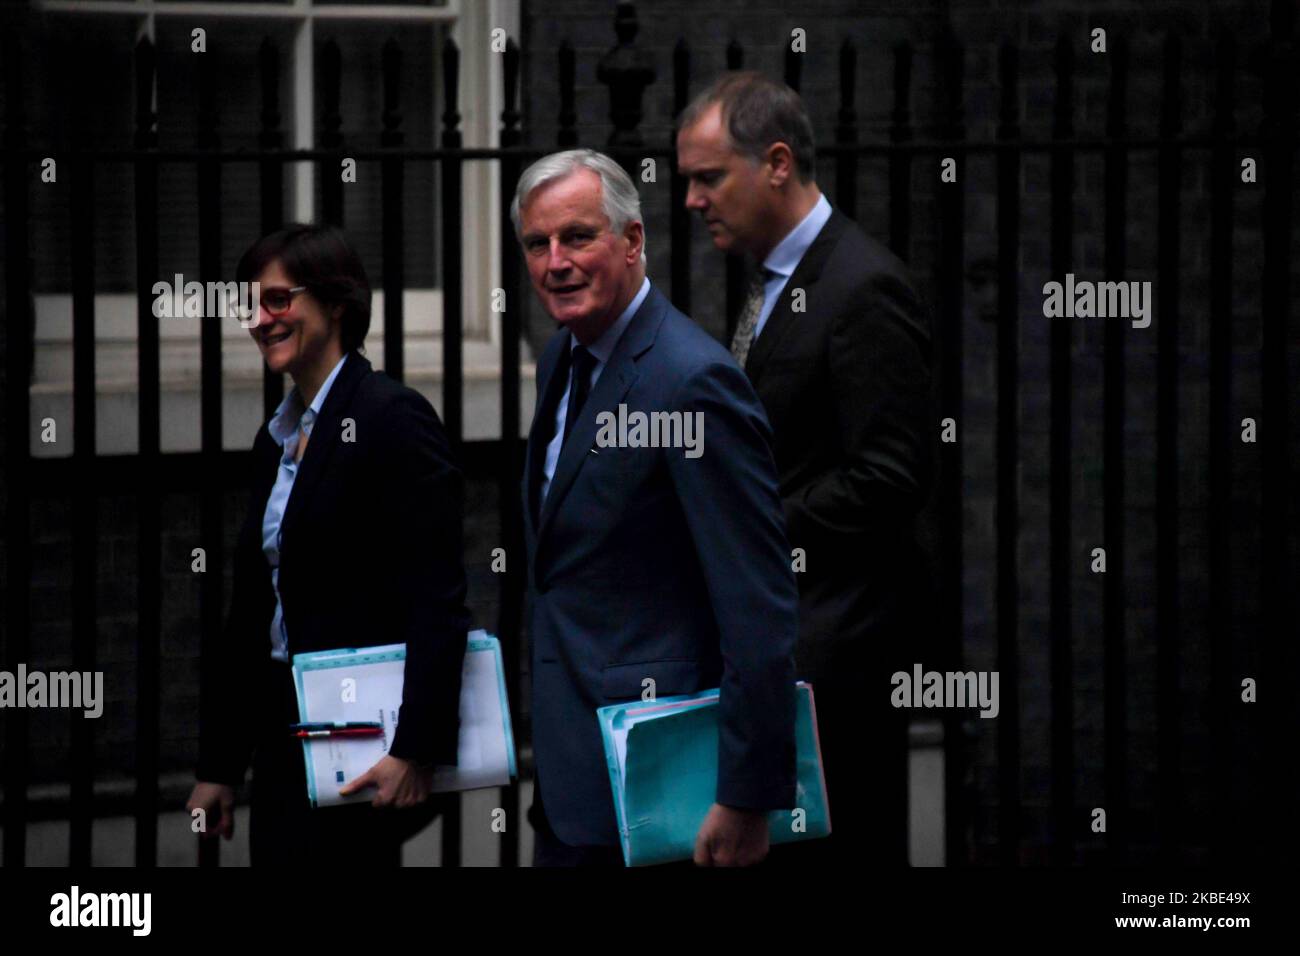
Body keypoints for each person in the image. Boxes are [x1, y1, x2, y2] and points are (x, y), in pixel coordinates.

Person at [514, 149, 800, 867]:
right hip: (569, 775)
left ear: (633, 240)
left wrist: (746, 794)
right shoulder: (561, 357)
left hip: (660, 787)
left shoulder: (693, 381)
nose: (555, 262)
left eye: (578, 237)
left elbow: (756, 603)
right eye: (536, 244)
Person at [676, 72, 935, 867]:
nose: (689, 199)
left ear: (778, 163)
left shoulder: (863, 287)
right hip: (777, 654)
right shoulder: (773, 279)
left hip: (837, 668)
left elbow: (889, 476)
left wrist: (751, 522)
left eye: (707, 177)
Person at [186, 224, 470, 866]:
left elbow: (437, 599)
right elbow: (253, 614)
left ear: (337, 302)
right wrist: (221, 766)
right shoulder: (276, 440)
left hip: (367, 734)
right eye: (250, 305)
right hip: (286, 737)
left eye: (279, 300)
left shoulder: (391, 418)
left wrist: (414, 748)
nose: (261, 320)